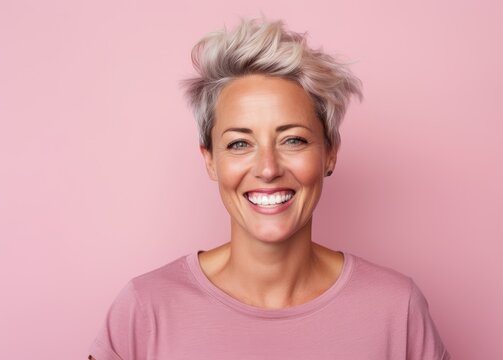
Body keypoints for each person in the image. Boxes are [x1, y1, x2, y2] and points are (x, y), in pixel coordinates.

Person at [88, 17, 451, 360]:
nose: (267, 169)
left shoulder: (396, 308)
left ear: (330, 154)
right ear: (210, 160)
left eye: (293, 140)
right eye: (239, 144)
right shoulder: (144, 309)